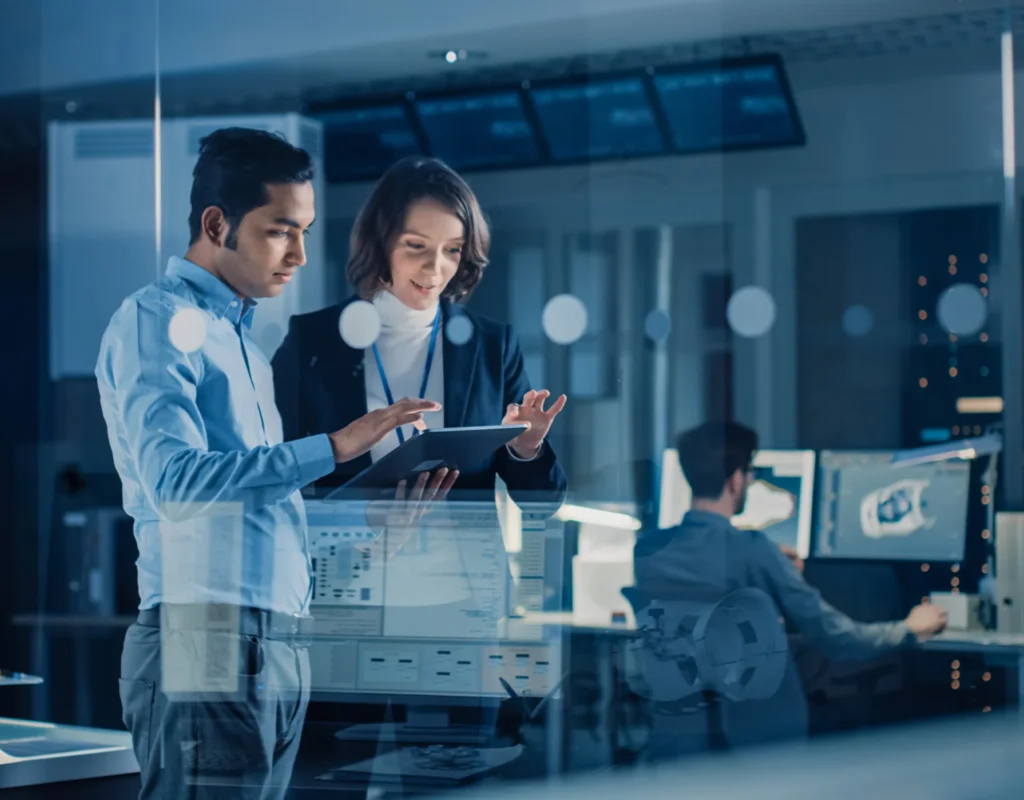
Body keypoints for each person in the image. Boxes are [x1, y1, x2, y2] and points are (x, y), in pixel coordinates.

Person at [95, 128, 447, 799]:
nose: (299, 255)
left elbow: (252, 515)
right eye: (281, 231)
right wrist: (336, 447)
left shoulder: (246, 345)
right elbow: (175, 482)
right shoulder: (154, 319)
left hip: (275, 644)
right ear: (216, 223)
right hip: (206, 636)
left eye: (306, 231)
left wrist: (372, 531)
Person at [629, 421, 948, 757]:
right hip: (759, 745)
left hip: (680, 738)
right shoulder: (753, 551)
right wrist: (908, 629)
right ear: (736, 479)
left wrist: (767, 568)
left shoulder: (648, 552)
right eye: (750, 472)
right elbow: (835, 637)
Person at [272, 156, 567, 504]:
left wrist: (526, 449)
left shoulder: (492, 346)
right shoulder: (312, 340)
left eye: (453, 250)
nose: (435, 267)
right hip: (350, 554)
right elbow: (274, 474)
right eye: (416, 246)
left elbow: (542, 505)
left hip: (463, 556)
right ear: (381, 242)